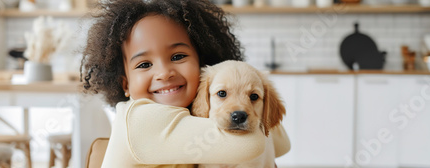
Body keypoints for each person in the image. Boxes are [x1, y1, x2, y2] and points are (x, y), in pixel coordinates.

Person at [79, 0, 290, 167]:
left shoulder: (190, 113)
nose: (164, 73)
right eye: (144, 64)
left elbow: (282, 143)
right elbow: (251, 144)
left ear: (201, 63)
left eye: (178, 56)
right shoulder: (140, 119)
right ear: (125, 84)